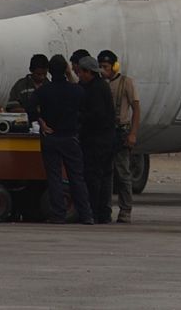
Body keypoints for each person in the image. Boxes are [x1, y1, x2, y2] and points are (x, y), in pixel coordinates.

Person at [35, 54, 95, 224]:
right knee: (77, 177)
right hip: (70, 137)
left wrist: (42, 122)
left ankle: (58, 214)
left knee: (54, 177)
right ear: (66, 70)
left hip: (51, 137)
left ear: (49, 71)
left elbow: (30, 108)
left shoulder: (43, 91)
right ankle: (86, 214)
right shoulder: (76, 90)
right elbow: (84, 107)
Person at [98, 49, 140, 224]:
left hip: (121, 131)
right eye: (100, 66)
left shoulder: (126, 83)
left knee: (123, 174)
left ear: (114, 66)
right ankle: (105, 209)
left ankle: (125, 210)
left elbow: (136, 108)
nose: (102, 70)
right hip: (105, 133)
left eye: (105, 66)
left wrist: (133, 134)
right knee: (104, 174)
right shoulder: (100, 84)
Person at [76, 55, 116, 224]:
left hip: (97, 140)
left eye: (80, 72)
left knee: (94, 177)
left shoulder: (96, 89)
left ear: (88, 72)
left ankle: (96, 212)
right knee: (104, 177)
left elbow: (97, 115)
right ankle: (103, 213)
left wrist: (79, 118)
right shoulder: (100, 86)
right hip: (106, 139)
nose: (79, 76)